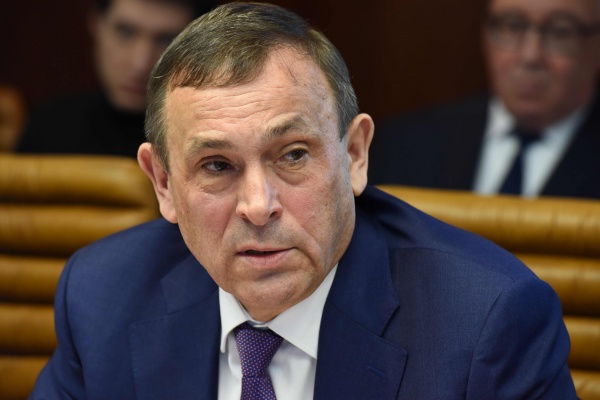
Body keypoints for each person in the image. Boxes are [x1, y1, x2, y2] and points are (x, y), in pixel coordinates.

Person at [30, 2, 577, 399]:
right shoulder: (103, 297)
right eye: (217, 166)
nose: (258, 205)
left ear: (355, 154)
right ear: (165, 184)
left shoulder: (486, 324)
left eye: (292, 155)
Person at [369, 0, 600, 199]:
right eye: (512, 26)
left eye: (560, 32)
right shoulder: (404, 146)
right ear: (486, 35)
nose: (530, 56)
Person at [16, 0, 215, 158]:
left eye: (166, 40)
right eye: (125, 32)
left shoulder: (208, 143)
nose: (140, 64)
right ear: (96, 24)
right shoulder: (50, 126)